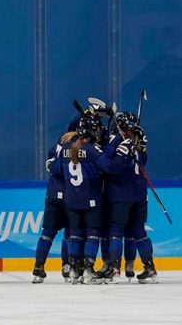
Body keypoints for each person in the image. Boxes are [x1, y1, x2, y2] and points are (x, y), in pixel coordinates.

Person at [50, 115, 125, 284]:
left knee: (74, 235)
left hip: (71, 200)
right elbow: (109, 166)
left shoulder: (65, 148)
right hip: (90, 198)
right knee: (92, 234)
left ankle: (74, 271)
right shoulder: (92, 150)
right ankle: (88, 270)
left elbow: (55, 169)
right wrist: (115, 143)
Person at [103, 112, 158, 283]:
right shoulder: (140, 142)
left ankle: (114, 270)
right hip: (140, 195)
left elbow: (108, 164)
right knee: (139, 232)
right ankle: (150, 269)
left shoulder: (118, 140)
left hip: (121, 194)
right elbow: (143, 160)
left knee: (116, 232)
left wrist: (116, 142)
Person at [31, 125, 76, 284]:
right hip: (70, 195)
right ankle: (67, 266)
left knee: (47, 233)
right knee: (70, 234)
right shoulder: (76, 146)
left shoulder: (58, 146)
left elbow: (51, 165)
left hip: (53, 195)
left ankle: (39, 266)